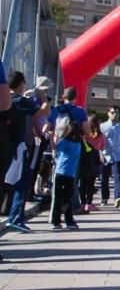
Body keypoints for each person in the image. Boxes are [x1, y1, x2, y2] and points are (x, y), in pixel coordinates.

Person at [4, 72, 43, 232]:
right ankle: (14, 217)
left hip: (5, 144)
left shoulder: (6, 99)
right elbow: (42, 113)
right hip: (17, 148)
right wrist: (41, 96)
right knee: (21, 183)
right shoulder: (21, 101)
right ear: (21, 84)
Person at [49, 115, 81, 230]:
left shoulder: (66, 141)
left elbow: (55, 148)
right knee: (68, 198)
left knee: (57, 197)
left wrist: (52, 136)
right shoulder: (78, 144)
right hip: (70, 174)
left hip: (60, 171)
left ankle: (55, 221)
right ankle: (69, 221)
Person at [99, 106, 120, 208]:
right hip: (106, 156)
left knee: (118, 178)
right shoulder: (103, 127)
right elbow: (98, 142)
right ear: (108, 113)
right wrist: (100, 154)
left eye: (117, 112)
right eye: (112, 112)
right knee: (104, 179)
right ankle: (104, 198)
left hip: (119, 156)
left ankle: (118, 198)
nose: (115, 114)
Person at [80, 113, 105, 213]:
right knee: (91, 183)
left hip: (83, 159)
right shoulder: (101, 135)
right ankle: (89, 204)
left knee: (83, 182)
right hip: (95, 160)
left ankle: (82, 203)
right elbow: (103, 147)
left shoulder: (84, 134)